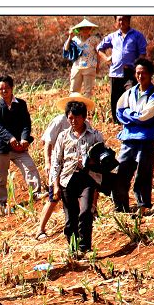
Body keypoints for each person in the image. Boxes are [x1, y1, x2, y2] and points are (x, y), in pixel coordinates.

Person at [50, 100, 106, 257]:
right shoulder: (62, 137)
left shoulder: (95, 135)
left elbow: (103, 158)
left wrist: (91, 162)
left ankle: (85, 247)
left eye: (76, 118)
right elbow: (56, 162)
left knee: (85, 212)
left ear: (84, 117)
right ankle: (73, 249)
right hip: (67, 180)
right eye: (70, 118)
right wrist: (55, 185)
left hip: (87, 178)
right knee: (70, 219)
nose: (73, 121)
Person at [37, 93, 96, 240]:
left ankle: (85, 240)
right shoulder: (59, 123)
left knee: (85, 208)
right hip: (64, 173)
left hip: (83, 174)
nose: (73, 120)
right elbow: (48, 143)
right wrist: (48, 163)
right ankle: (40, 229)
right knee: (54, 199)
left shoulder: (91, 130)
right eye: (71, 116)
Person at [115, 57, 154, 215]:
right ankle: (121, 207)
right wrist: (135, 117)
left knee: (143, 175)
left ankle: (142, 207)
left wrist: (131, 116)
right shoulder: (129, 93)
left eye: (143, 73)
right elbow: (119, 112)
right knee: (122, 173)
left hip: (146, 141)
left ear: (150, 74)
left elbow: (145, 116)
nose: (140, 76)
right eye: (137, 73)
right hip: (128, 140)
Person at [0, 75, 42, 213]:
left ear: (12, 88)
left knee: (30, 167)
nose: (4, 91)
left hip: (19, 146)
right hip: (1, 146)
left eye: (7, 88)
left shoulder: (21, 104)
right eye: (1, 89)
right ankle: (0, 204)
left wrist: (24, 139)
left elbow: (26, 123)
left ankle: (36, 193)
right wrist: (10, 138)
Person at [97, 16, 148, 124]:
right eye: (119, 20)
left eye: (124, 19)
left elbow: (142, 54)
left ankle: (131, 120)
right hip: (115, 72)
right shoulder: (113, 36)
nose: (122, 22)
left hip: (130, 73)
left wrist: (137, 68)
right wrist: (106, 58)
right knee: (115, 97)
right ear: (116, 22)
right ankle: (117, 122)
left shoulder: (137, 36)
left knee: (131, 95)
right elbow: (99, 48)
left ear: (129, 20)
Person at [64, 18, 101, 97]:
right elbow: (66, 49)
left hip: (90, 66)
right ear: (79, 30)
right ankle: (74, 107)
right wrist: (70, 37)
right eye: (83, 29)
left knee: (88, 91)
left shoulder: (94, 40)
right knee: (73, 91)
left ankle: (86, 108)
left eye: (87, 28)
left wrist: (98, 66)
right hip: (77, 67)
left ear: (90, 29)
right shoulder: (75, 40)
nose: (85, 30)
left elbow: (99, 53)